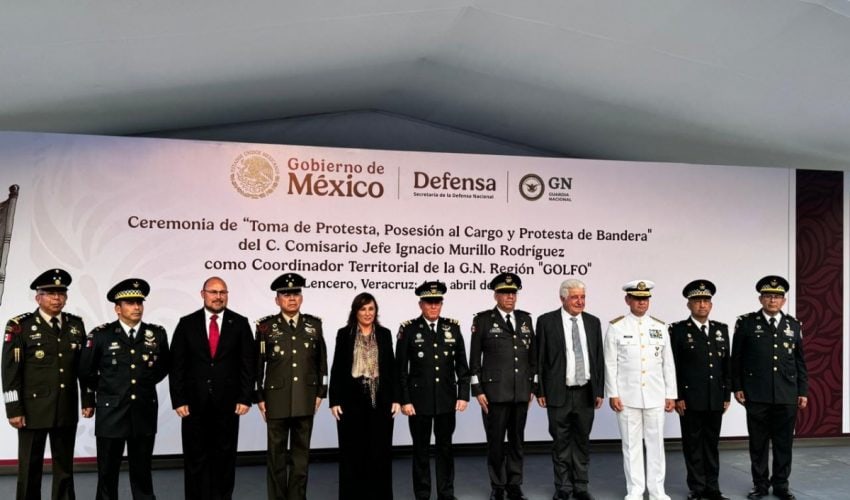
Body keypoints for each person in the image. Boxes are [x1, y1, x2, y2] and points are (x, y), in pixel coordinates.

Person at [1, 269, 93, 500]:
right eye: (50, 293)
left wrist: (88, 399)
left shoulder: (75, 325)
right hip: (32, 410)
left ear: (67, 297)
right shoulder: (20, 326)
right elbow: (10, 371)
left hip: (65, 407)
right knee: (30, 466)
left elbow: (84, 368)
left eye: (61, 293)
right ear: (38, 297)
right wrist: (14, 409)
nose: (56, 298)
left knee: (64, 468)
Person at [79, 278, 170, 500]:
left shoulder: (156, 334)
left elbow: (163, 367)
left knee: (142, 470)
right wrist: (106, 391)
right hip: (111, 412)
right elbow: (85, 371)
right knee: (108, 471)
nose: (137, 307)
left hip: (143, 410)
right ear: (117, 308)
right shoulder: (101, 335)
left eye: (139, 302)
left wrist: (144, 383)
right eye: (130, 303)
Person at [169, 276, 256, 500]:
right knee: (195, 459)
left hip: (228, 404)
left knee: (224, 459)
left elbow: (248, 363)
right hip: (193, 404)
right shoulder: (186, 323)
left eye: (222, 292)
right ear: (203, 294)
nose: (218, 297)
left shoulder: (240, 323)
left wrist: (246, 397)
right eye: (213, 292)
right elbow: (177, 364)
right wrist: (178, 399)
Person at [731, 276, 808, 500]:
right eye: (768, 296)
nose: (772, 300)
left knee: (784, 443)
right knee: (758, 443)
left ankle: (781, 485)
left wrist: (802, 391)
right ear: (760, 299)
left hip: (787, 393)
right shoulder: (746, 323)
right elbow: (737, 359)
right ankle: (760, 485)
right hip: (757, 393)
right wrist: (737, 387)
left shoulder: (794, 325)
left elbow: (800, 361)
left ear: (783, 301)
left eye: (777, 296)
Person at [256, 273, 328, 500]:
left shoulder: (314, 325)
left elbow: (322, 363)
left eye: (296, 293)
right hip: (275, 399)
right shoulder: (265, 327)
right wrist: (259, 396)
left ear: (301, 298)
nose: (292, 298)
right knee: (276, 456)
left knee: (301, 457)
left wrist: (321, 392)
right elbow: (257, 366)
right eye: (286, 295)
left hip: (306, 398)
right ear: (277, 300)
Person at [396, 280, 470, 500]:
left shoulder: (452, 328)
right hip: (418, 402)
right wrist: (405, 400)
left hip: (446, 400)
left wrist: (463, 395)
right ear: (421, 304)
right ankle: (422, 494)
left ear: (442, 304)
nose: (433, 307)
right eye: (429, 303)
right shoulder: (409, 329)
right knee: (420, 450)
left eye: (437, 302)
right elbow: (400, 369)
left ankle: (446, 493)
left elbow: (462, 366)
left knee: (445, 449)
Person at [604, 279, 676, 500]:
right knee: (631, 445)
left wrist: (670, 394)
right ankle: (635, 490)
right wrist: (613, 393)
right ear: (628, 300)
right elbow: (610, 363)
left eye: (645, 299)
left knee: (656, 445)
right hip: (627, 396)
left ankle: (657, 491)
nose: (642, 303)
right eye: (637, 298)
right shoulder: (616, 327)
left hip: (655, 395)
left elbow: (667, 363)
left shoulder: (660, 327)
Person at [535, 278, 604, 500]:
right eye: (575, 297)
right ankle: (563, 487)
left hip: (585, 392)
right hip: (558, 392)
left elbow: (598, 359)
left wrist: (599, 390)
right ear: (562, 298)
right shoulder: (546, 321)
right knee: (560, 442)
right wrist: (540, 390)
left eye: (583, 297)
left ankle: (581, 486)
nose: (580, 301)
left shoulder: (593, 322)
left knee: (582, 440)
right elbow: (540, 358)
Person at [469, 272, 535, 500]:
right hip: (494, 393)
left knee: (517, 441)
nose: (510, 297)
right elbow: (474, 360)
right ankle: (497, 485)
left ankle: (514, 484)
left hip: (520, 392)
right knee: (496, 441)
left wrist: (531, 388)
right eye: (505, 293)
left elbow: (531, 357)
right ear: (496, 295)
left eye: (513, 293)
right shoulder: (483, 320)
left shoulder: (525, 319)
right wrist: (477, 391)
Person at [329, 292, 399, 500]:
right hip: (351, 402)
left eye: (371, 309)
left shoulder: (385, 334)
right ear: (355, 311)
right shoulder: (344, 334)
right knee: (352, 454)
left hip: (380, 400)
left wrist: (396, 398)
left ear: (376, 311)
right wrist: (335, 400)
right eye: (363, 309)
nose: (367, 313)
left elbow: (392, 368)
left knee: (379, 454)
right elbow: (337, 368)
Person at [669, 280, 731, 500]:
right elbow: (673, 366)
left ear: (711, 305)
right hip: (690, 398)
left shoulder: (721, 330)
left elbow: (726, 366)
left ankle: (712, 488)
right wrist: (677, 396)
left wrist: (726, 395)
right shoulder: (677, 330)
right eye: (697, 301)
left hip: (715, 398)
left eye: (706, 301)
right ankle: (697, 487)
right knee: (693, 444)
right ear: (689, 305)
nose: (702, 305)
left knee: (712, 445)